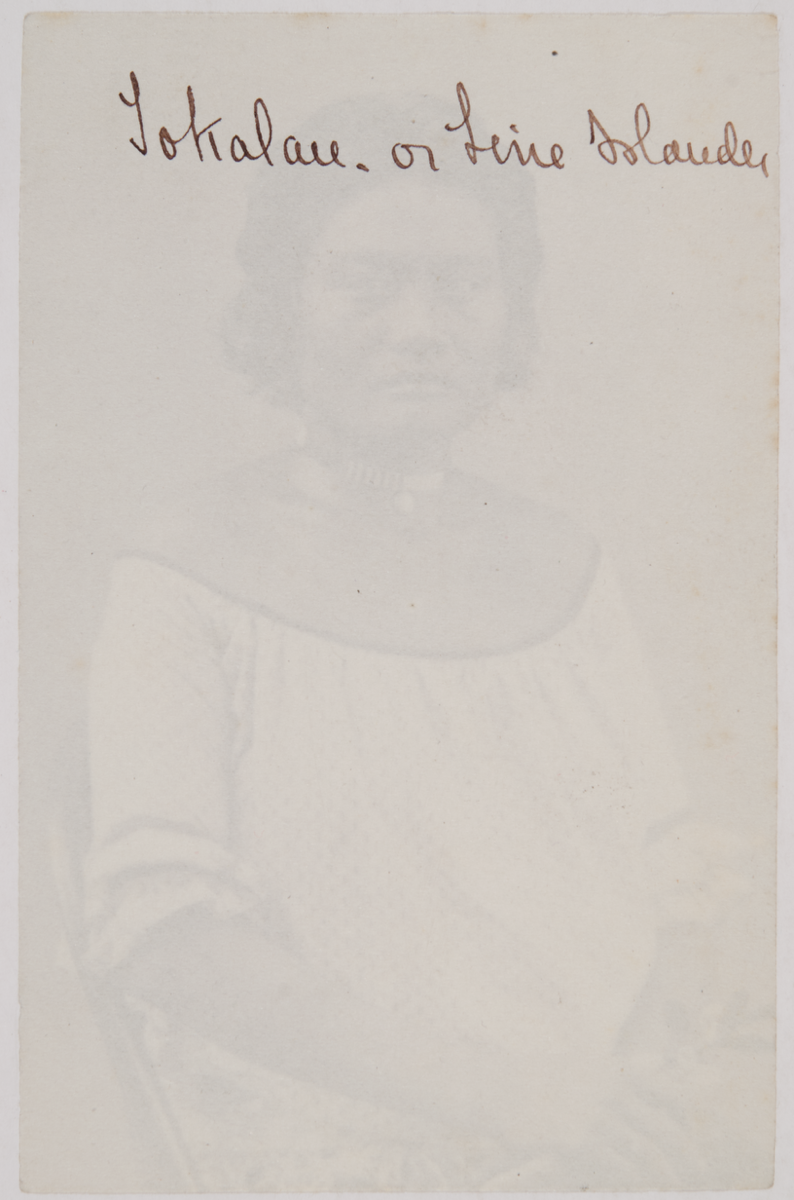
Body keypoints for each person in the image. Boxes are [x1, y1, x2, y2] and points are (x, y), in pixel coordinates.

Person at [81, 99, 728, 1191]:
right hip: (322, 1161)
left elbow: (677, 889)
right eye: (365, 284)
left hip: (598, 1148)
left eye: (461, 286)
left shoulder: (569, 567)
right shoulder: (182, 575)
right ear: (284, 306)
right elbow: (169, 941)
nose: (419, 327)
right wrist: (515, 1097)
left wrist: (642, 1099)